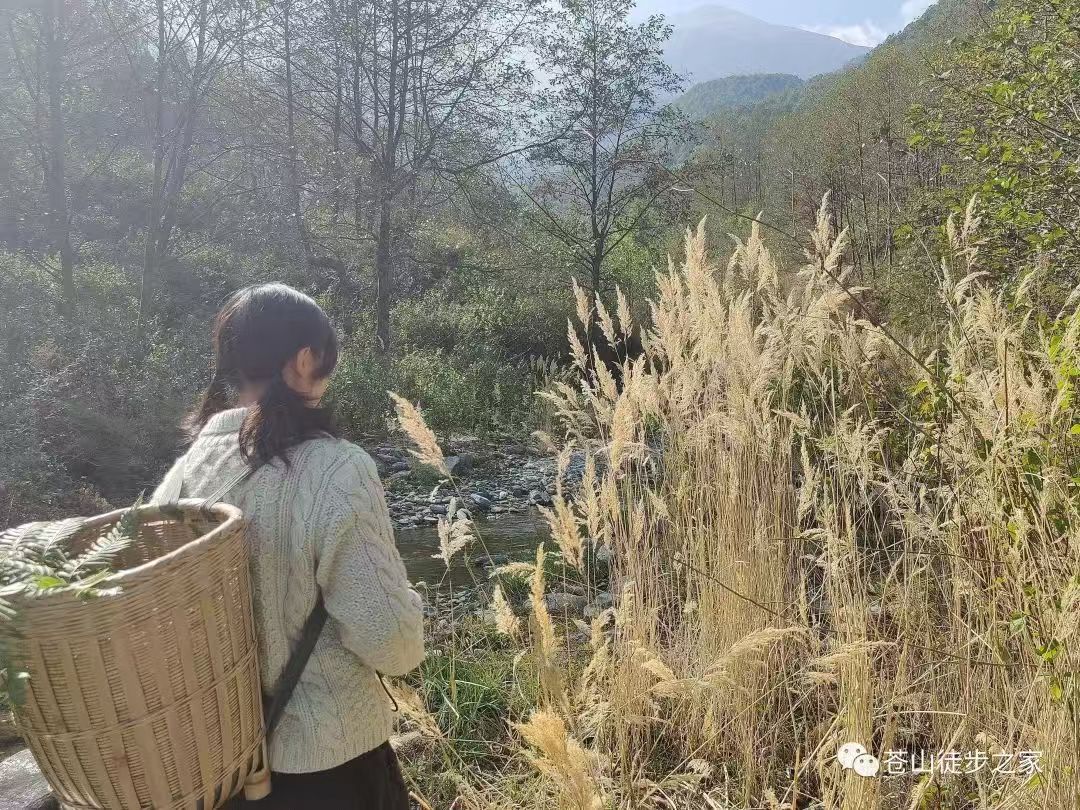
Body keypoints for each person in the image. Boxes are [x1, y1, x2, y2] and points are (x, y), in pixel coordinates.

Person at [152, 283, 425, 809]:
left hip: (219, 767)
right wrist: (411, 608)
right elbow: (394, 646)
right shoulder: (336, 469)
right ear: (304, 360)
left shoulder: (185, 474)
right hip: (330, 768)